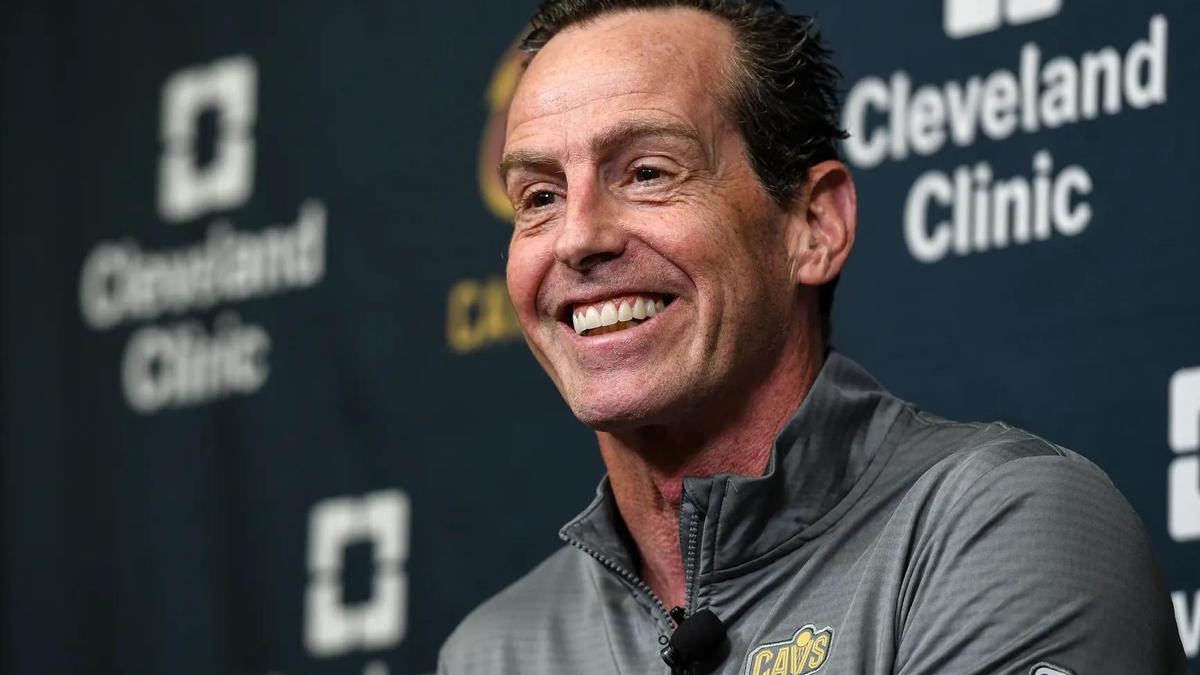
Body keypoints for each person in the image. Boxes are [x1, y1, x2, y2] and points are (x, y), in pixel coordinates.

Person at [439, 1, 1189, 673]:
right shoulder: (491, 653)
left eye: (647, 173)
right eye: (540, 196)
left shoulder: (1005, 528)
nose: (577, 237)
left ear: (814, 226)